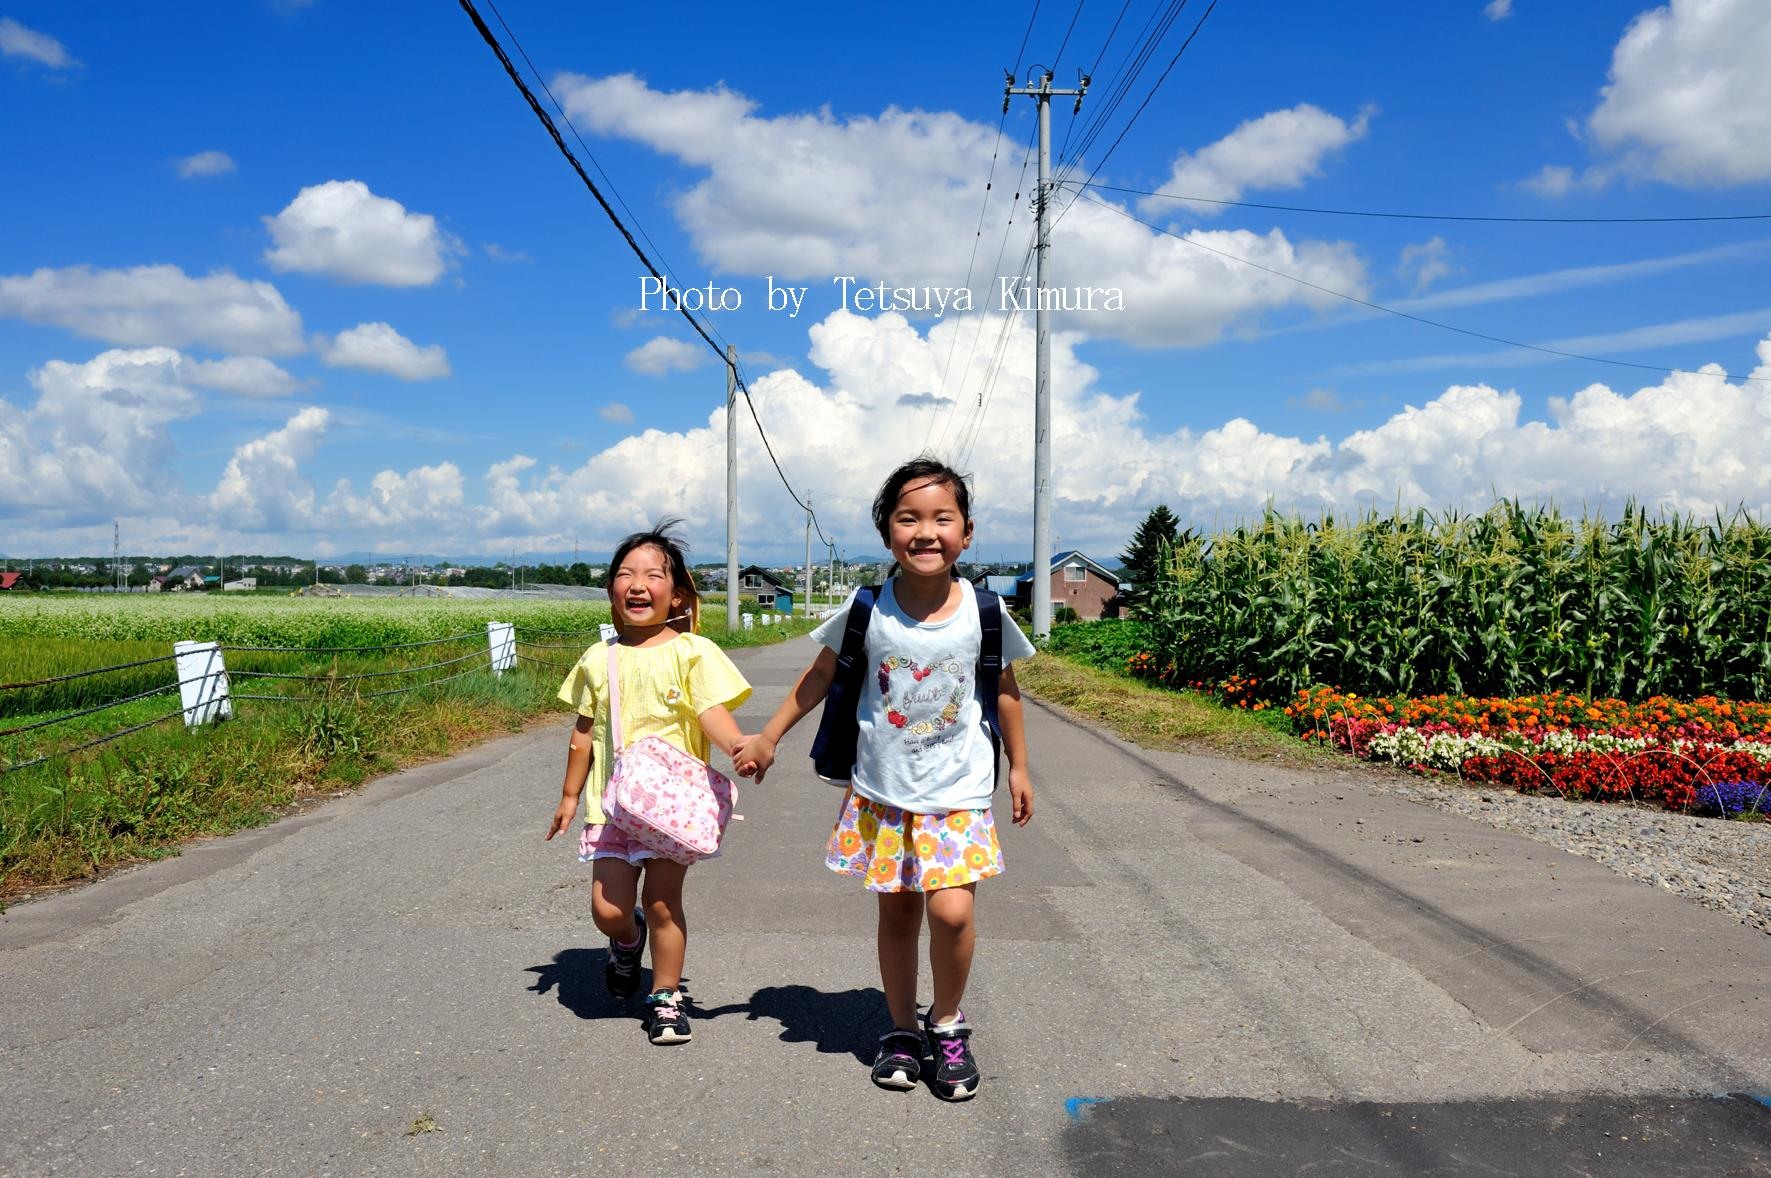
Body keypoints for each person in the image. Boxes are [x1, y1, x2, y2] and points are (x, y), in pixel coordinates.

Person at [734, 457, 1035, 1100]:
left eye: (941, 518)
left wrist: (1020, 767)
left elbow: (1006, 691)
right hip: (884, 790)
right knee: (898, 914)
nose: (925, 532)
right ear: (887, 533)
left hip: (958, 791)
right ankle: (901, 1029)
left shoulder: (983, 611)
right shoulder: (868, 608)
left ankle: (946, 1022)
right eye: (908, 518)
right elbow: (822, 674)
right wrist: (769, 735)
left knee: (951, 913)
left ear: (967, 533)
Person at [545, 521, 752, 1046]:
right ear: (611, 590)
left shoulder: (693, 652)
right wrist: (569, 795)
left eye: (653, 575)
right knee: (608, 910)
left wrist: (737, 745)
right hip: (611, 807)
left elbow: (711, 712)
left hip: (669, 808)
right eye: (625, 574)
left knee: (663, 902)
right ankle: (626, 941)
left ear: (676, 593)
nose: (637, 584)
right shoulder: (599, 658)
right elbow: (583, 734)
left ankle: (665, 997)